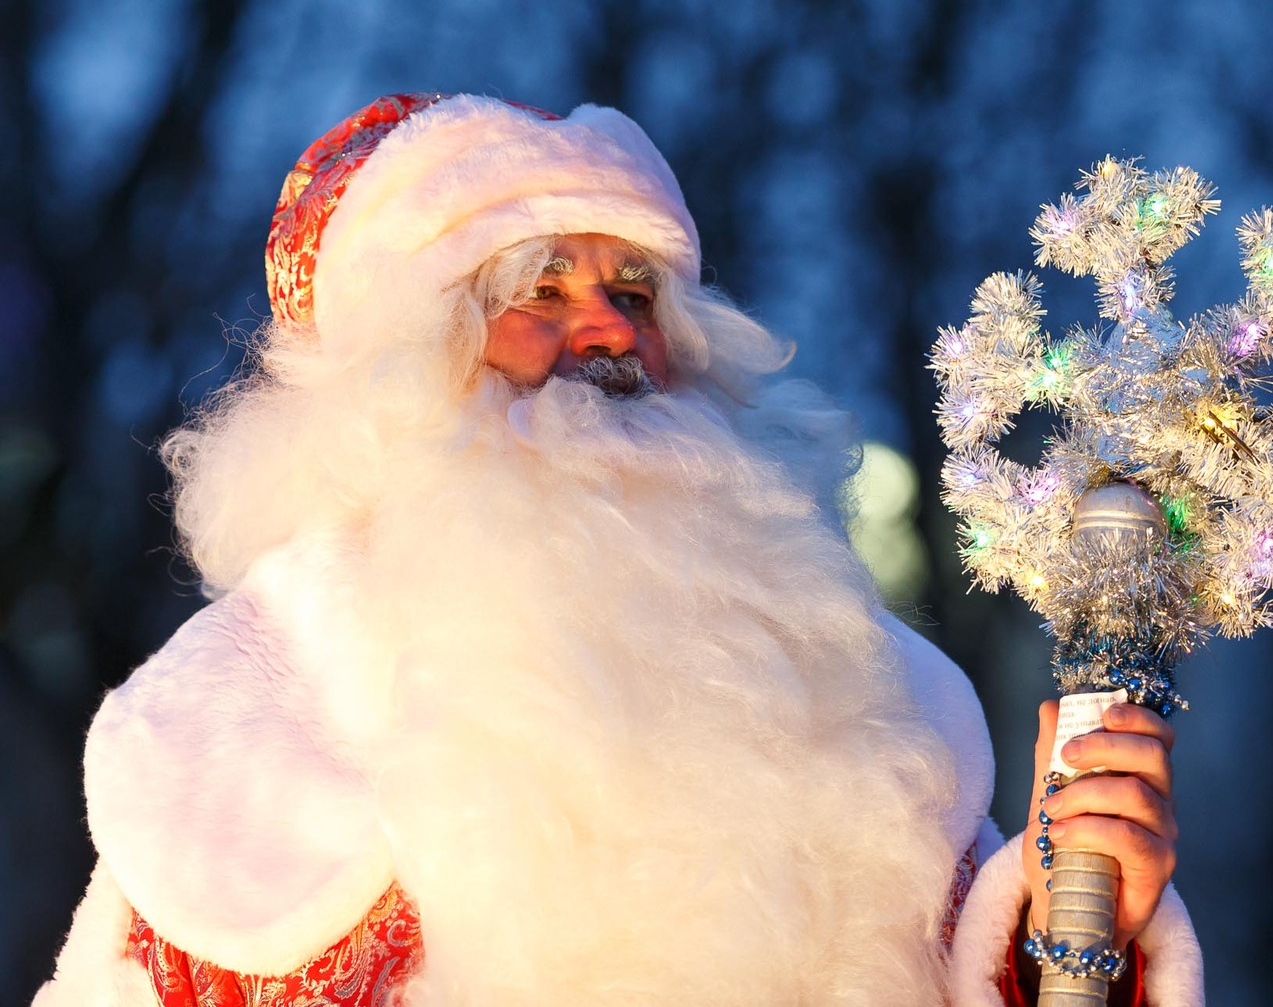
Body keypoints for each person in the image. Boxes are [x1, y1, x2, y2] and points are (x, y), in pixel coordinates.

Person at [34, 93, 1204, 1006]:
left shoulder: (856, 692)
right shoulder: (243, 730)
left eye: (638, 291)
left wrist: (1075, 915)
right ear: (398, 370)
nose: (610, 331)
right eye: (537, 288)